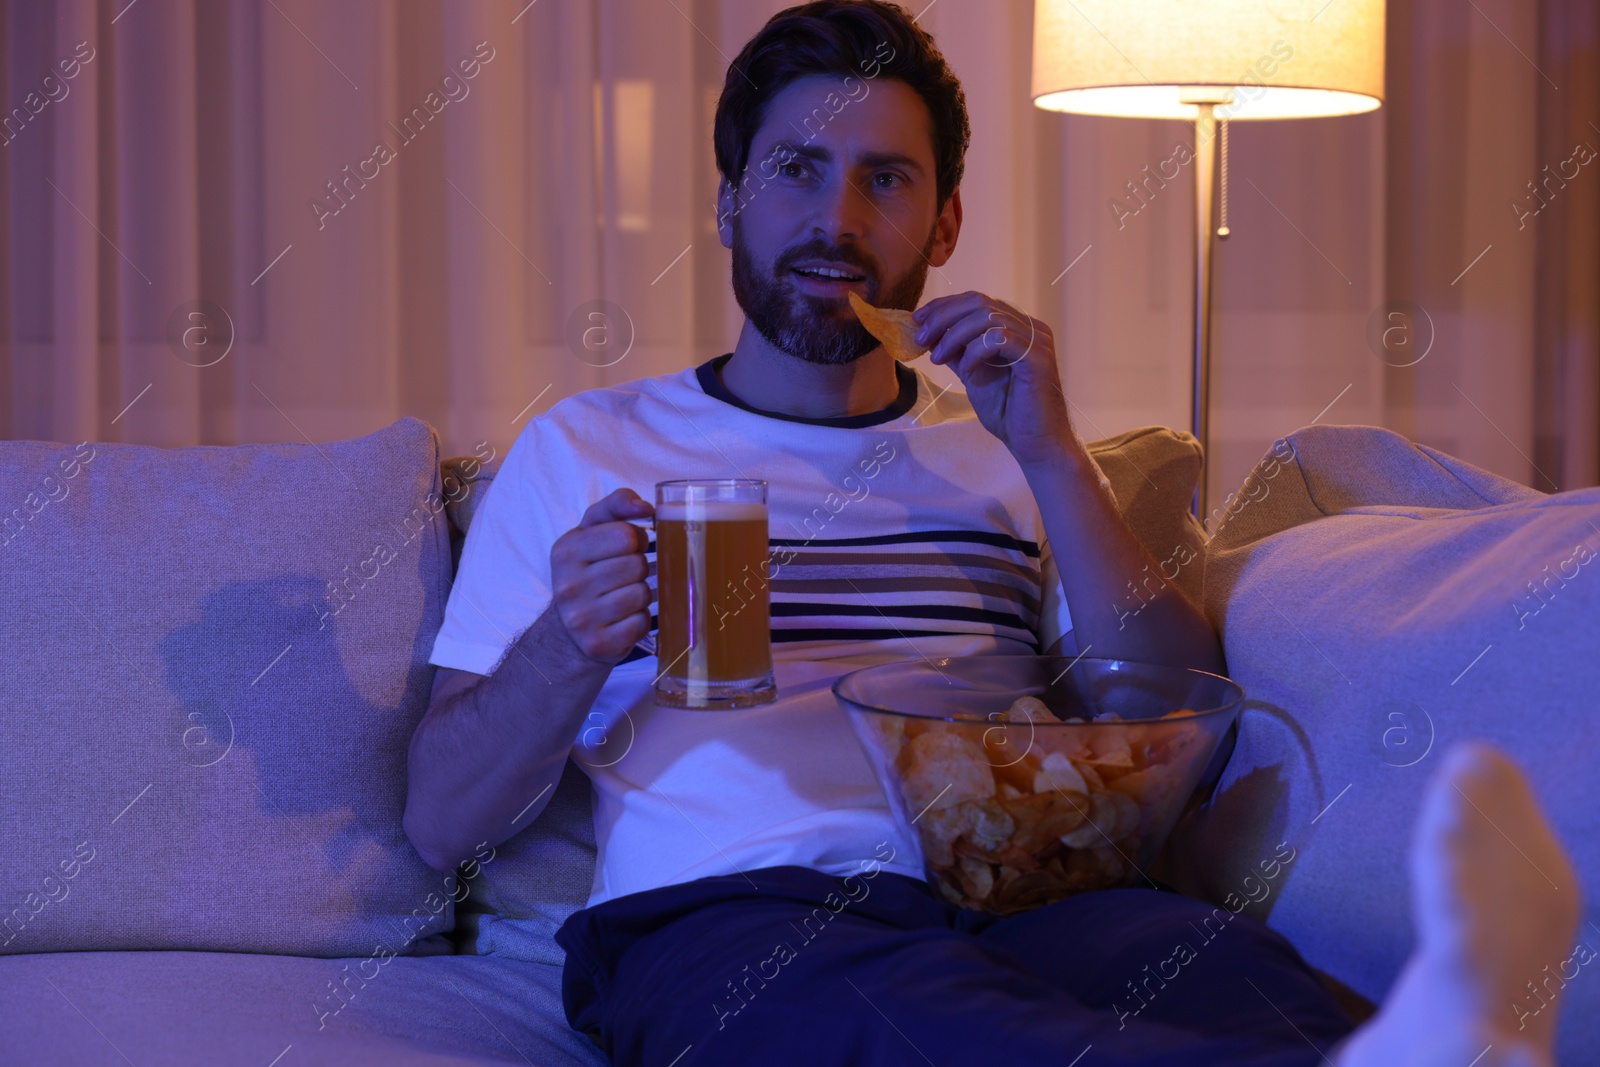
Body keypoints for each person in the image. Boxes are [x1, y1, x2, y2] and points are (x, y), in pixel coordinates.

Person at [403, 3, 1582, 1064]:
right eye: (796, 171)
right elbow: (441, 818)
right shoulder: (589, 445)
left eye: (885, 180)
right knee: (956, 1039)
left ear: (945, 219)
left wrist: (1053, 450)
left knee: (1244, 986)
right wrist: (567, 639)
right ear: (727, 202)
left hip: (1032, 892)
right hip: (735, 910)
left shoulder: (1000, 451)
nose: (836, 219)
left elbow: (1170, 713)